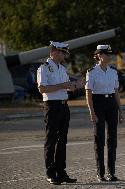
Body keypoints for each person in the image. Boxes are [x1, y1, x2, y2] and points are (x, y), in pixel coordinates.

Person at [37, 41, 83, 185]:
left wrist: (76, 85)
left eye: (65, 53)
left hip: (64, 106)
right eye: (63, 52)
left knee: (62, 140)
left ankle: (61, 172)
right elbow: (42, 89)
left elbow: (67, 87)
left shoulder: (62, 69)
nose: (64, 55)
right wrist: (62, 86)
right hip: (52, 106)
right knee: (51, 140)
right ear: (54, 52)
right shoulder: (44, 68)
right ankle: (51, 173)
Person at [85, 45, 123, 182]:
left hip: (112, 104)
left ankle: (111, 173)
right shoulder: (92, 72)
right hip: (98, 104)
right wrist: (92, 112)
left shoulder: (113, 72)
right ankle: (100, 173)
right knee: (99, 139)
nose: (109, 56)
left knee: (112, 139)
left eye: (109, 54)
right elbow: (88, 93)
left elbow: (116, 92)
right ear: (99, 56)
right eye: (106, 54)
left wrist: (120, 111)